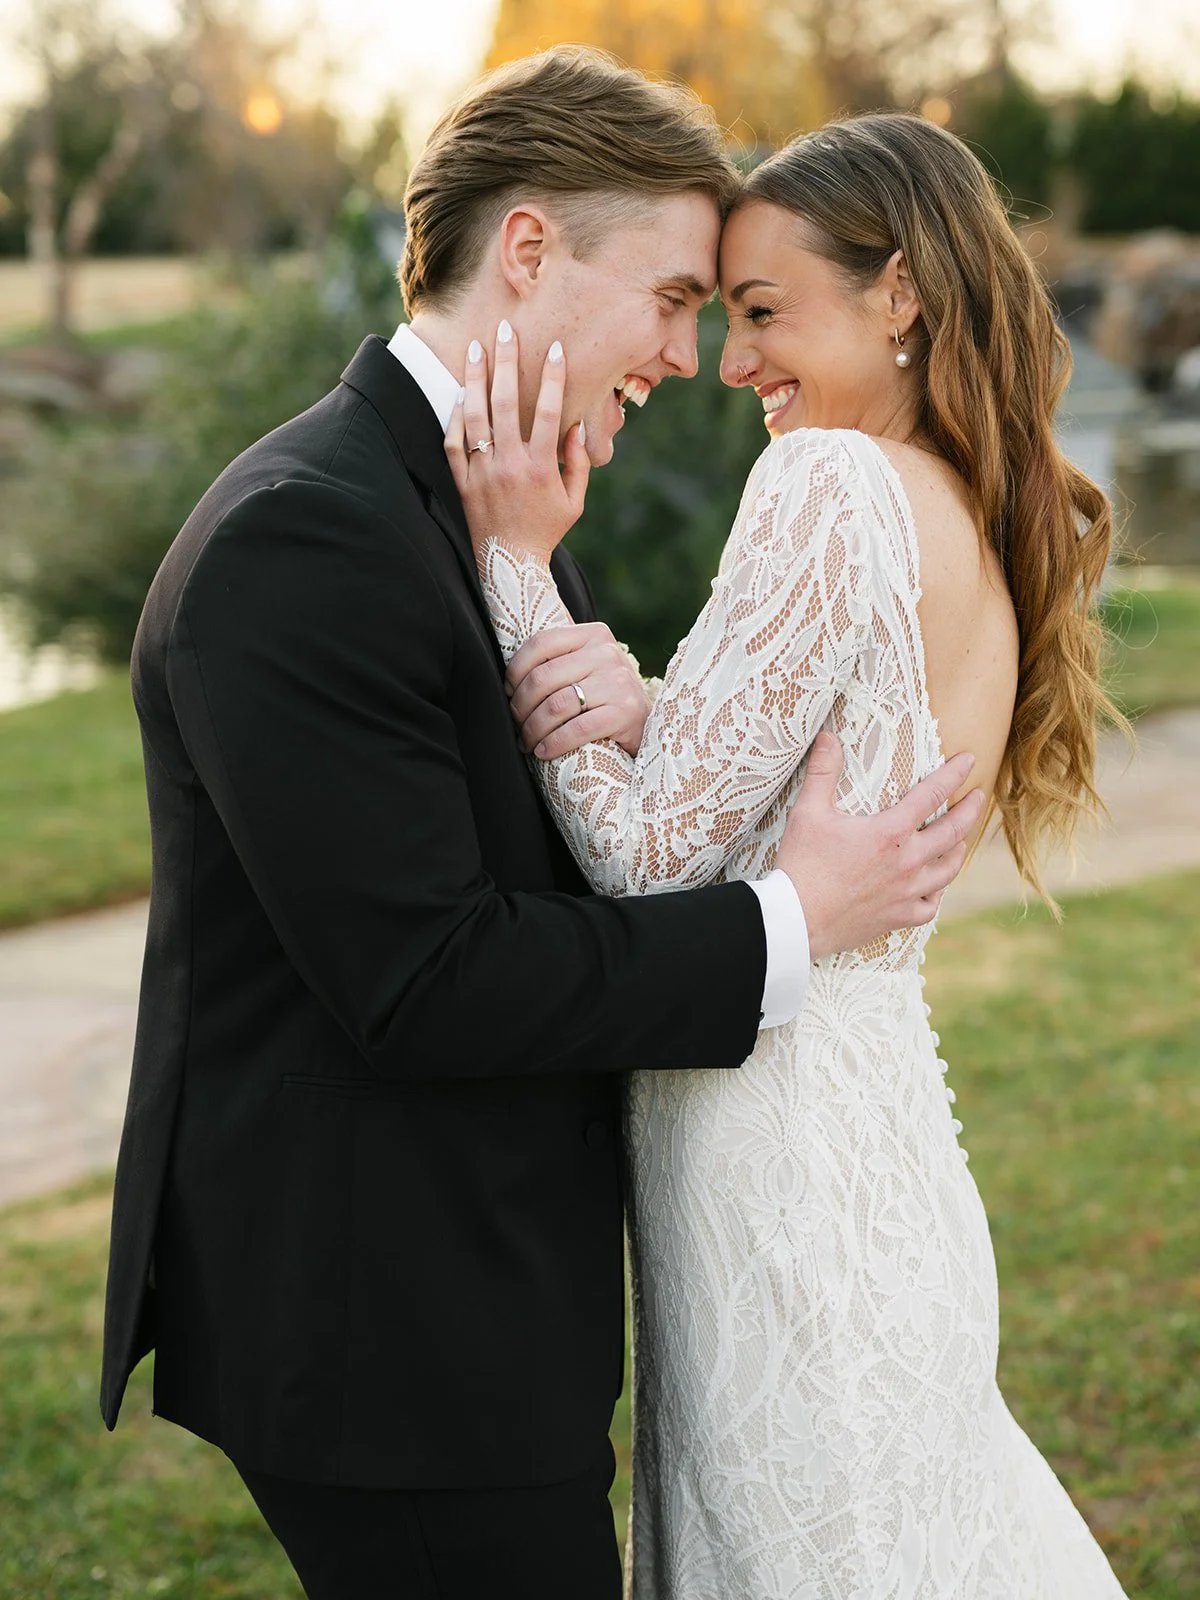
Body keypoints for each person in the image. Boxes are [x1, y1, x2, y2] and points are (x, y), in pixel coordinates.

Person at [99, 53, 982, 1600]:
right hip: (392, 1336)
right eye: (672, 297)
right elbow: (427, 976)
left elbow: (570, 819)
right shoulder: (307, 530)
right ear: (527, 251)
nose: (687, 353)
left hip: (490, 1304)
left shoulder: (505, 499)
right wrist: (795, 919)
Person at [449, 112, 1127, 1595]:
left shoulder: (826, 485)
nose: (735, 363)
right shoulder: (964, 509)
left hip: (782, 1180)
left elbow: (643, 867)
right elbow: (763, 775)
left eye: (764, 314)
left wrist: (511, 575)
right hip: (874, 1153)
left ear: (900, 295)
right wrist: (647, 700)